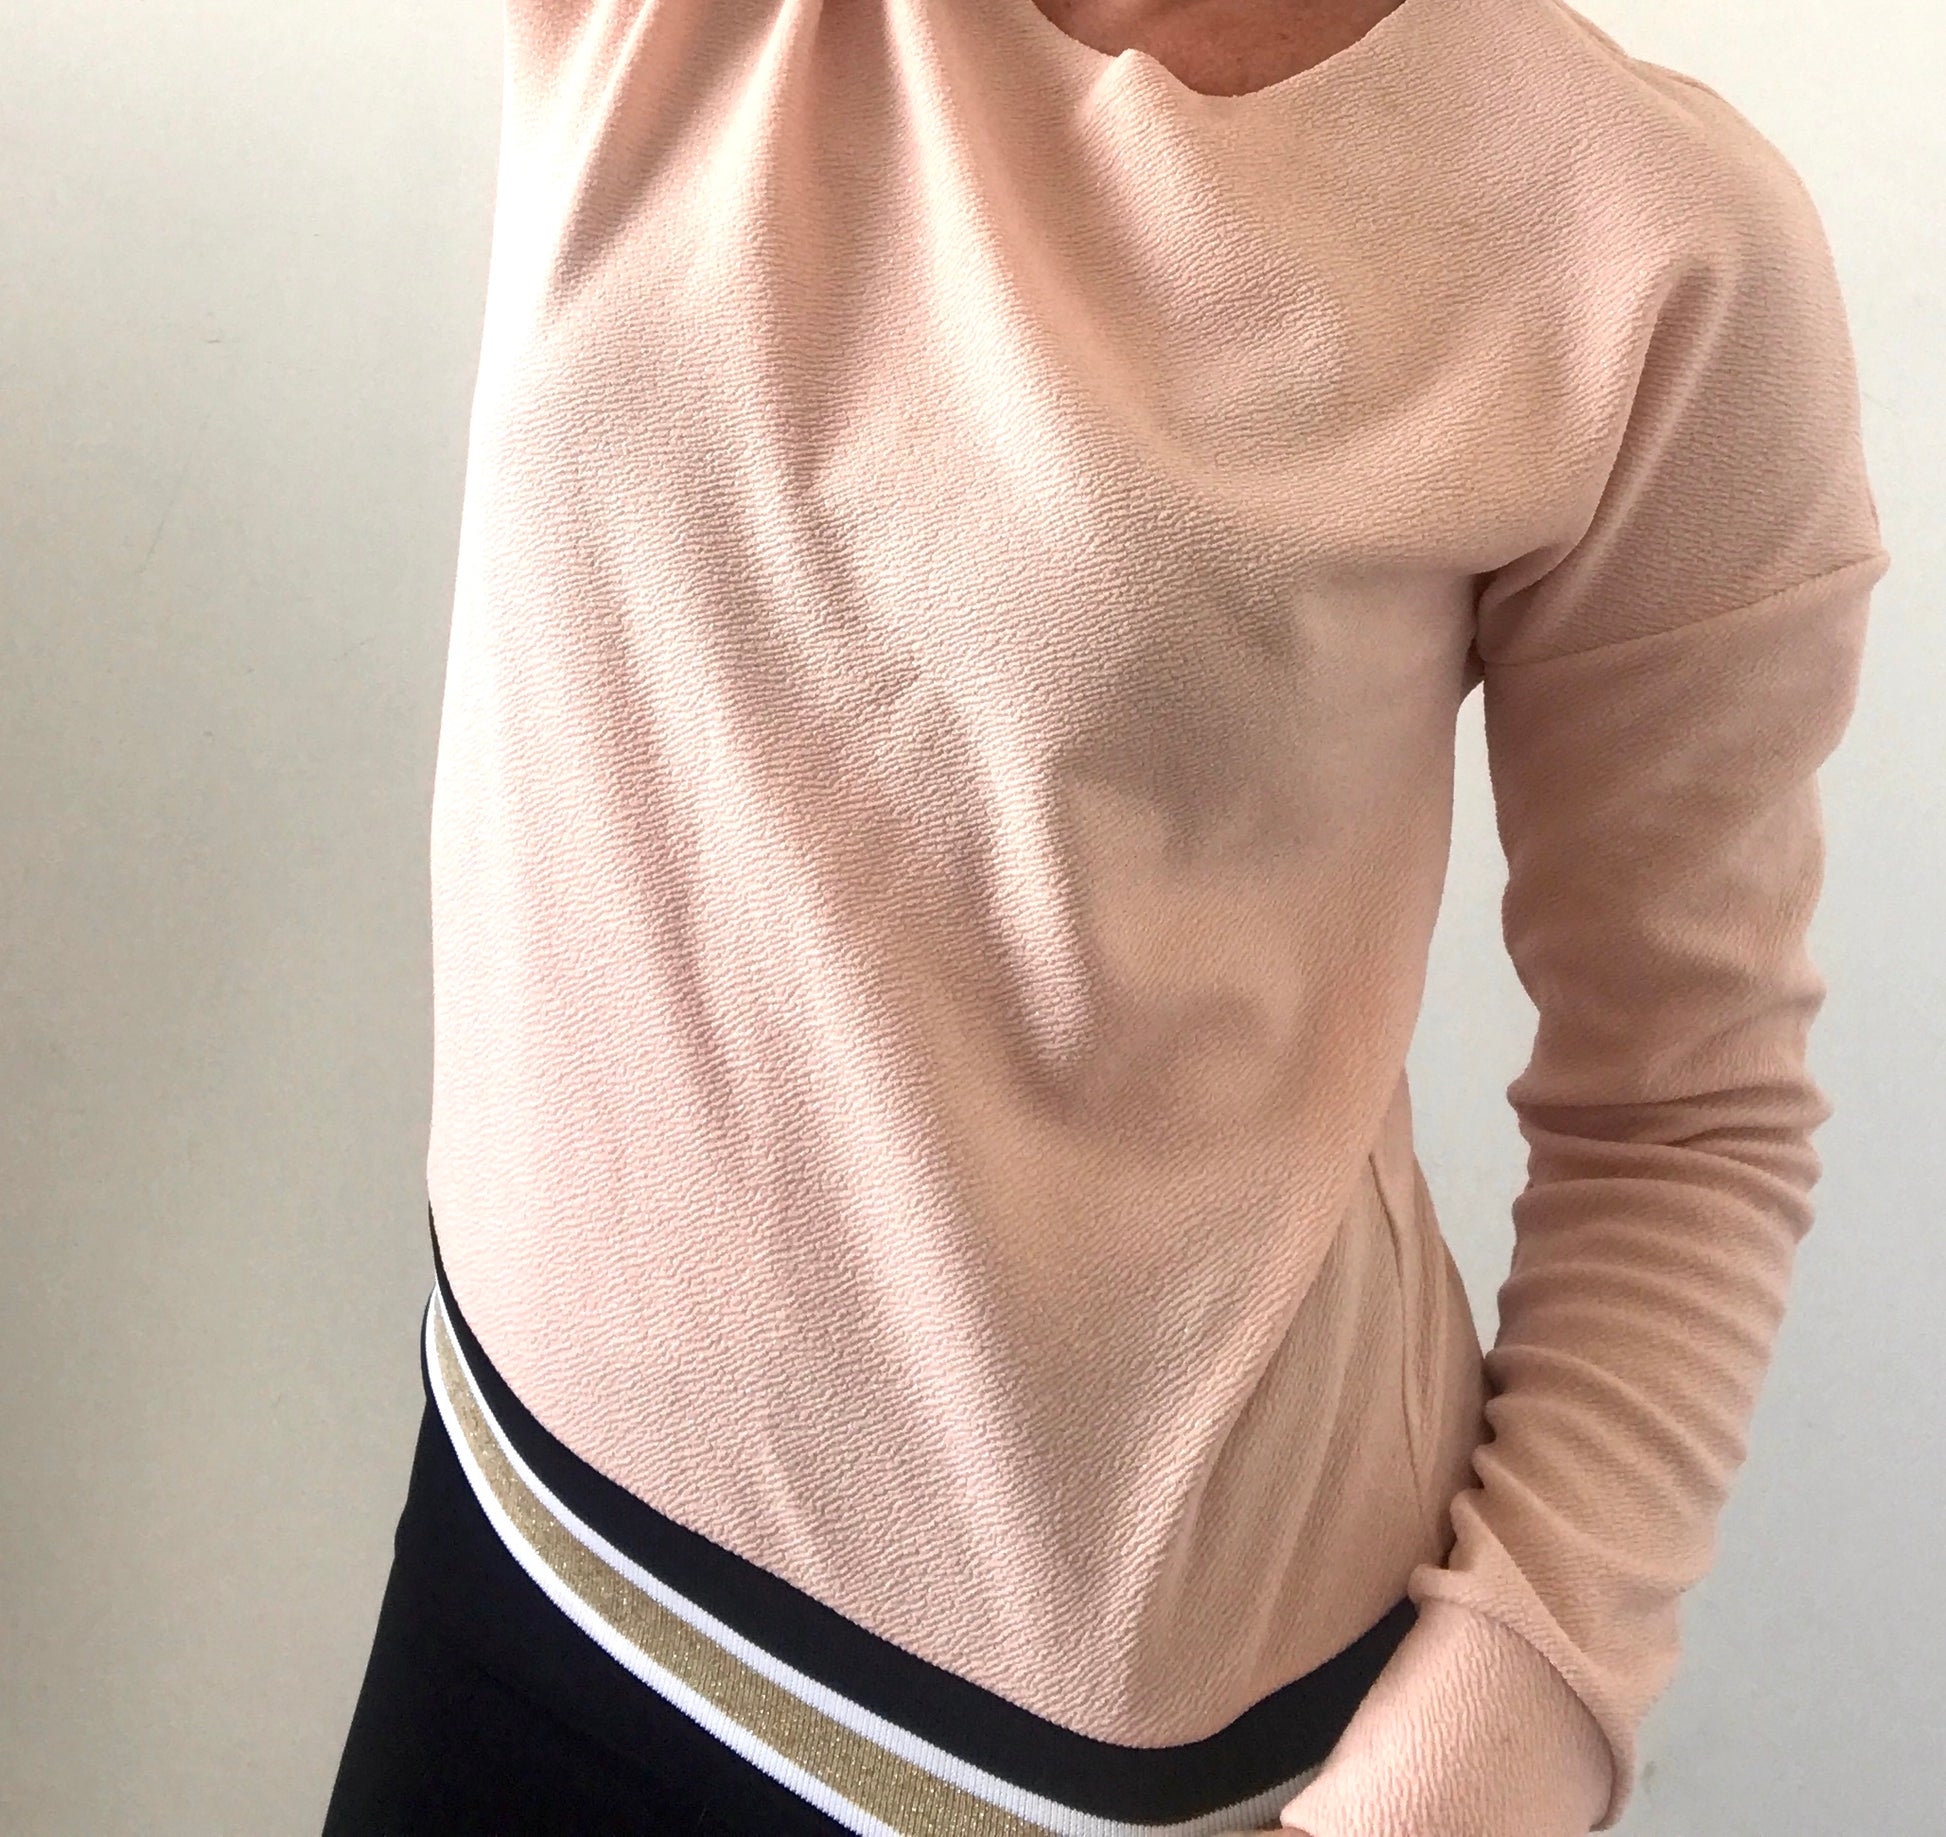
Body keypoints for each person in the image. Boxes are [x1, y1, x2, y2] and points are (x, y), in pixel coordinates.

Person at [323, 0, 1892, 1830]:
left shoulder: (1642, 247)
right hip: (527, 1529)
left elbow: (1684, 1113)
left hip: (1101, 1766)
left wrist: (1504, 1721)